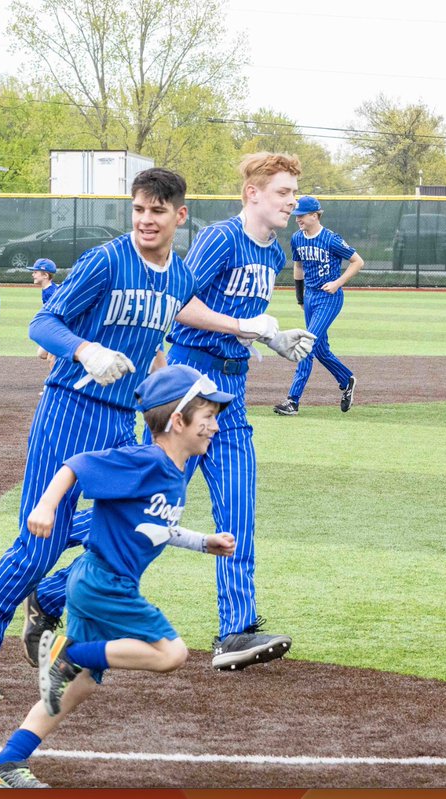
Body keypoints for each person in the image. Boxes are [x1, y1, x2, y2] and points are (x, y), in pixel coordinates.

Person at [0, 169, 202, 699]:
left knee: (132, 524)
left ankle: (50, 599)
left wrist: (166, 396)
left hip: (120, 416)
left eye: (157, 211)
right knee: (39, 543)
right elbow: (44, 324)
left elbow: (155, 346)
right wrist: (86, 349)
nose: (146, 220)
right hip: (69, 408)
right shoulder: (106, 260)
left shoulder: (179, 277)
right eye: (138, 210)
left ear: (179, 215)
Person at [0, 365, 238, 788]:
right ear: (177, 422)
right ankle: (71, 653)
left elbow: (154, 526)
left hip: (97, 581)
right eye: (206, 417)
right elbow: (76, 465)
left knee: (74, 689)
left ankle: (5, 763)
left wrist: (202, 542)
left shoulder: (171, 471)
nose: (214, 425)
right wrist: (45, 506)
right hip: (104, 582)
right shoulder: (147, 459)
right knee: (171, 654)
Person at [161, 152, 315, 669]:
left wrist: (269, 338)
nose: (292, 201)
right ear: (252, 194)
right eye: (282, 192)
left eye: (293, 193)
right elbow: (177, 305)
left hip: (232, 392)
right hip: (187, 389)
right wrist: (248, 328)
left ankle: (235, 632)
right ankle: (49, 596)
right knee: (149, 510)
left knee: (238, 513)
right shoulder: (221, 238)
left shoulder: (274, 253)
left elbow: (245, 320)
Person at [274, 195, 362, 416]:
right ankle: (346, 379)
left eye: (301, 215)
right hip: (311, 297)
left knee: (306, 344)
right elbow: (298, 266)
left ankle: (292, 401)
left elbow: (357, 261)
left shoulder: (331, 239)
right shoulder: (297, 238)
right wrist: (300, 297)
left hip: (329, 297)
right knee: (320, 348)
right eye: (296, 216)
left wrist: (338, 282)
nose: (297, 219)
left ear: (315, 215)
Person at [28, 258, 59, 367]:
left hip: (59, 329)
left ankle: (57, 383)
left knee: (51, 359)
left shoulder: (51, 292)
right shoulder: (48, 289)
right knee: (42, 353)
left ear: (45, 275)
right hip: (54, 328)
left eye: (35, 272)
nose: (33, 275)